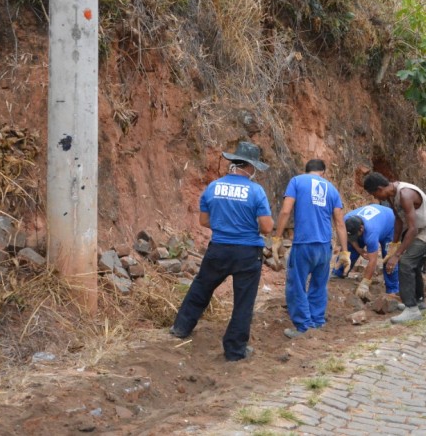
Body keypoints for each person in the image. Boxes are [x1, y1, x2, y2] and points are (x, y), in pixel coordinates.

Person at [169, 142, 273, 361]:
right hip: (247, 252)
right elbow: (266, 227)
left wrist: (225, 226)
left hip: (219, 248)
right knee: (243, 301)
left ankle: (181, 327)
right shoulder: (256, 191)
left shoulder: (213, 187)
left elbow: (204, 220)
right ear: (251, 167)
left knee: (202, 287)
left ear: (233, 163)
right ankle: (235, 350)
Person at [273, 159, 347, 339]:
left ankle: (304, 327)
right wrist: (345, 251)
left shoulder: (297, 181)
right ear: (323, 172)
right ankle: (317, 321)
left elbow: (285, 211)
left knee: (296, 285)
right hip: (324, 247)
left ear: (306, 171)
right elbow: (339, 223)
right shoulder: (331, 188)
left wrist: (277, 237)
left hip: (304, 244)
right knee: (319, 285)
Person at [362, 172, 426, 324]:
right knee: (413, 264)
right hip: (419, 229)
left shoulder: (405, 194)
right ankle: (418, 301)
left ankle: (411, 309)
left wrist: (397, 255)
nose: (376, 198)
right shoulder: (392, 195)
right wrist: (394, 245)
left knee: (405, 263)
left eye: (375, 194)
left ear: (380, 188)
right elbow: (398, 220)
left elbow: (411, 229)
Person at [335, 204, 400, 298]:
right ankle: (339, 273)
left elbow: (373, 261)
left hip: (389, 224)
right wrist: (358, 249)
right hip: (375, 221)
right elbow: (349, 237)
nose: (354, 238)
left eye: (356, 234)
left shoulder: (371, 234)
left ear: (361, 229)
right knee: (349, 248)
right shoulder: (346, 220)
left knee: (388, 259)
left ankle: (392, 290)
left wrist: (365, 283)